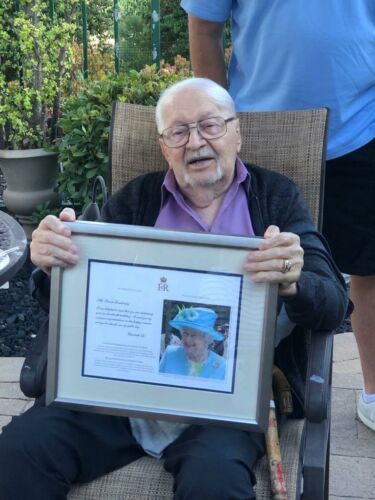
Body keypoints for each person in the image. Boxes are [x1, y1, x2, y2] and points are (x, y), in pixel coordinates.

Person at [0, 78, 349, 499]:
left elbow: (332, 303)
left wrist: (295, 280)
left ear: (236, 132)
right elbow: (76, 300)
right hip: (116, 394)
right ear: (165, 146)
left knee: (214, 480)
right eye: (178, 132)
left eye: (210, 125)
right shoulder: (133, 202)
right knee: (19, 451)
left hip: (224, 407)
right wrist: (52, 266)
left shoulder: (276, 199)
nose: (195, 141)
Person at [181, 0, 375, 431]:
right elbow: (204, 27)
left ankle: (374, 393)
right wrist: (219, 125)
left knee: (371, 267)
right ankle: (226, 383)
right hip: (262, 129)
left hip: (363, 127)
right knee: (255, 262)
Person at [159, 307, 226, 379]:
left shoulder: (222, 365)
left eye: (193, 335)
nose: (187, 339)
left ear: (207, 339)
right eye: (185, 333)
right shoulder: (170, 354)